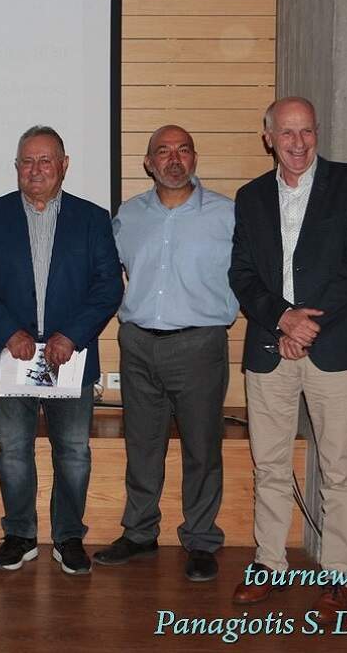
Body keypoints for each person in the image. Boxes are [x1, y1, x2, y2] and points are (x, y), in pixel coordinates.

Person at [228, 97, 347, 623]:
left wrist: (306, 325)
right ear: (268, 137)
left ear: (317, 132)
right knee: (270, 465)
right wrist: (283, 320)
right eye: (287, 133)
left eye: (306, 132)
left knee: (339, 468)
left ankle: (340, 576)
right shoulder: (250, 196)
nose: (298, 143)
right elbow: (242, 273)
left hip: (336, 344)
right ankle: (269, 564)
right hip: (271, 346)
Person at [0, 126, 122, 575]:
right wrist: (9, 332)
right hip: (9, 357)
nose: (35, 169)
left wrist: (72, 335)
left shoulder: (92, 219)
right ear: (16, 167)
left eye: (45, 160)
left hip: (70, 358)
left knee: (74, 453)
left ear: (64, 165)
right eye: (27, 161)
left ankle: (68, 537)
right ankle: (20, 535)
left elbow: (108, 287)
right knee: (13, 450)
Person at [92, 125, 237, 582]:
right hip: (137, 344)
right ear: (148, 163)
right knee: (142, 445)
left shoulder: (228, 215)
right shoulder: (128, 215)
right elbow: (106, 274)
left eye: (183, 150)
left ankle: (201, 539)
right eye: (163, 152)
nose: (174, 160)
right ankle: (139, 533)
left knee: (202, 448)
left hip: (199, 344)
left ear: (194, 158)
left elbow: (252, 274)